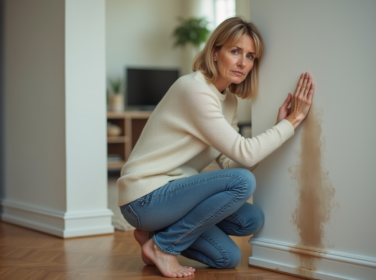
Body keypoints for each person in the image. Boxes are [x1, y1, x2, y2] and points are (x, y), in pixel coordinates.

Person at [117, 17, 314, 278]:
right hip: (144, 198)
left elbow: (231, 160)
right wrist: (291, 122)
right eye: (235, 51)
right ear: (215, 52)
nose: (243, 63)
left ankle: (153, 235)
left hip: (173, 197)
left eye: (251, 56)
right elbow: (246, 155)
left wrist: (279, 129)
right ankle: (163, 247)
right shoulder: (193, 89)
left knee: (236, 243)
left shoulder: (228, 100)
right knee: (243, 182)